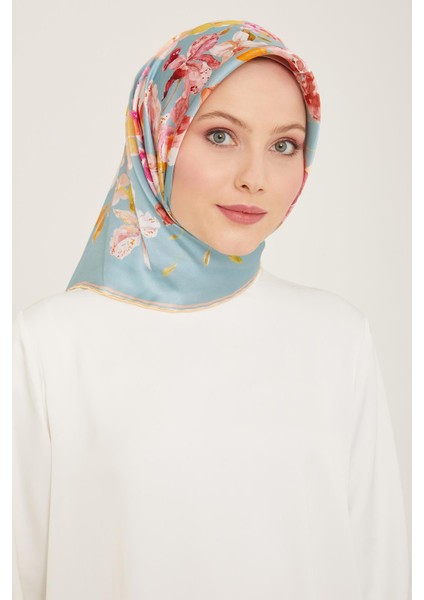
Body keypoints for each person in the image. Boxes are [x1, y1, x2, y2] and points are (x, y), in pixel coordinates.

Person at [13, 19, 410, 600]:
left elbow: (381, 571)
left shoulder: (338, 337)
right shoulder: (48, 345)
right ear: (159, 136)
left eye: (284, 145)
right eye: (221, 135)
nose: (255, 178)